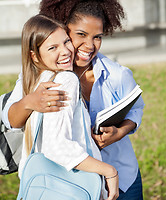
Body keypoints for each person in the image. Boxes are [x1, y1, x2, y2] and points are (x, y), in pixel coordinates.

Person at [2, 0, 144, 199]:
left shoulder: (117, 74)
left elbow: (136, 109)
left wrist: (120, 131)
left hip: (122, 177)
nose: (90, 45)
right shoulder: (41, 76)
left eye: (97, 37)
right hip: (69, 182)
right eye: (80, 35)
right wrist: (30, 101)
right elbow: (10, 120)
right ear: (62, 28)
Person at [16, 13, 119, 200]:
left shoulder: (36, 82)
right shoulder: (65, 79)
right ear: (35, 55)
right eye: (53, 47)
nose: (65, 52)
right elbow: (57, 147)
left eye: (66, 42)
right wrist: (109, 171)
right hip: (71, 188)